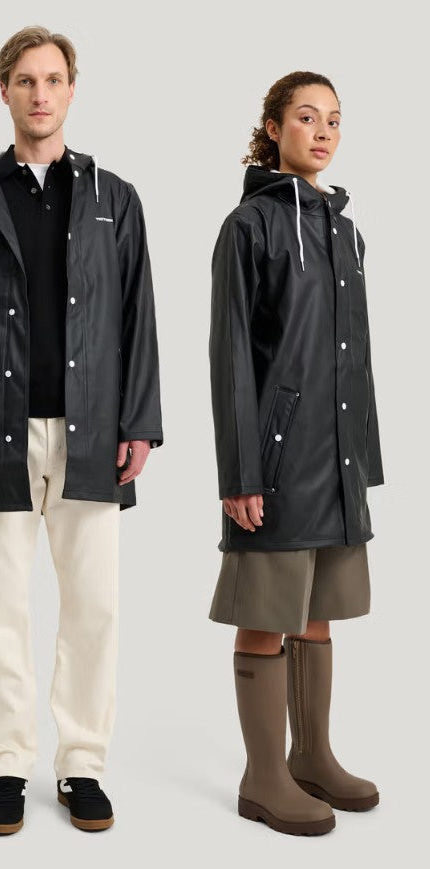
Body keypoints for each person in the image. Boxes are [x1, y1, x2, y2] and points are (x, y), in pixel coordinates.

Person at [0, 25, 163, 836]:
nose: (40, 93)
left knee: (95, 605)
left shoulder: (112, 198)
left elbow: (138, 315)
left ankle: (82, 763)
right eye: (25, 80)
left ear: (71, 90)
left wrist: (140, 421)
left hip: (93, 432)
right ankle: (4, 767)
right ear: (4, 91)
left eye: (53, 79)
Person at [208, 71, 384, 836]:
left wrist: (362, 461)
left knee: (318, 612)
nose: (321, 132)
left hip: (336, 459)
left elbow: (354, 357)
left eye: (333, 120)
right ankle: (262, 776)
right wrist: (240, 472)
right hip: (276, 463)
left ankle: (310, 753)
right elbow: (229, 358)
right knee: (266, 613)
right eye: (306, 117)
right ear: (273, 128)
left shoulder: (344, 231)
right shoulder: (247, 227)